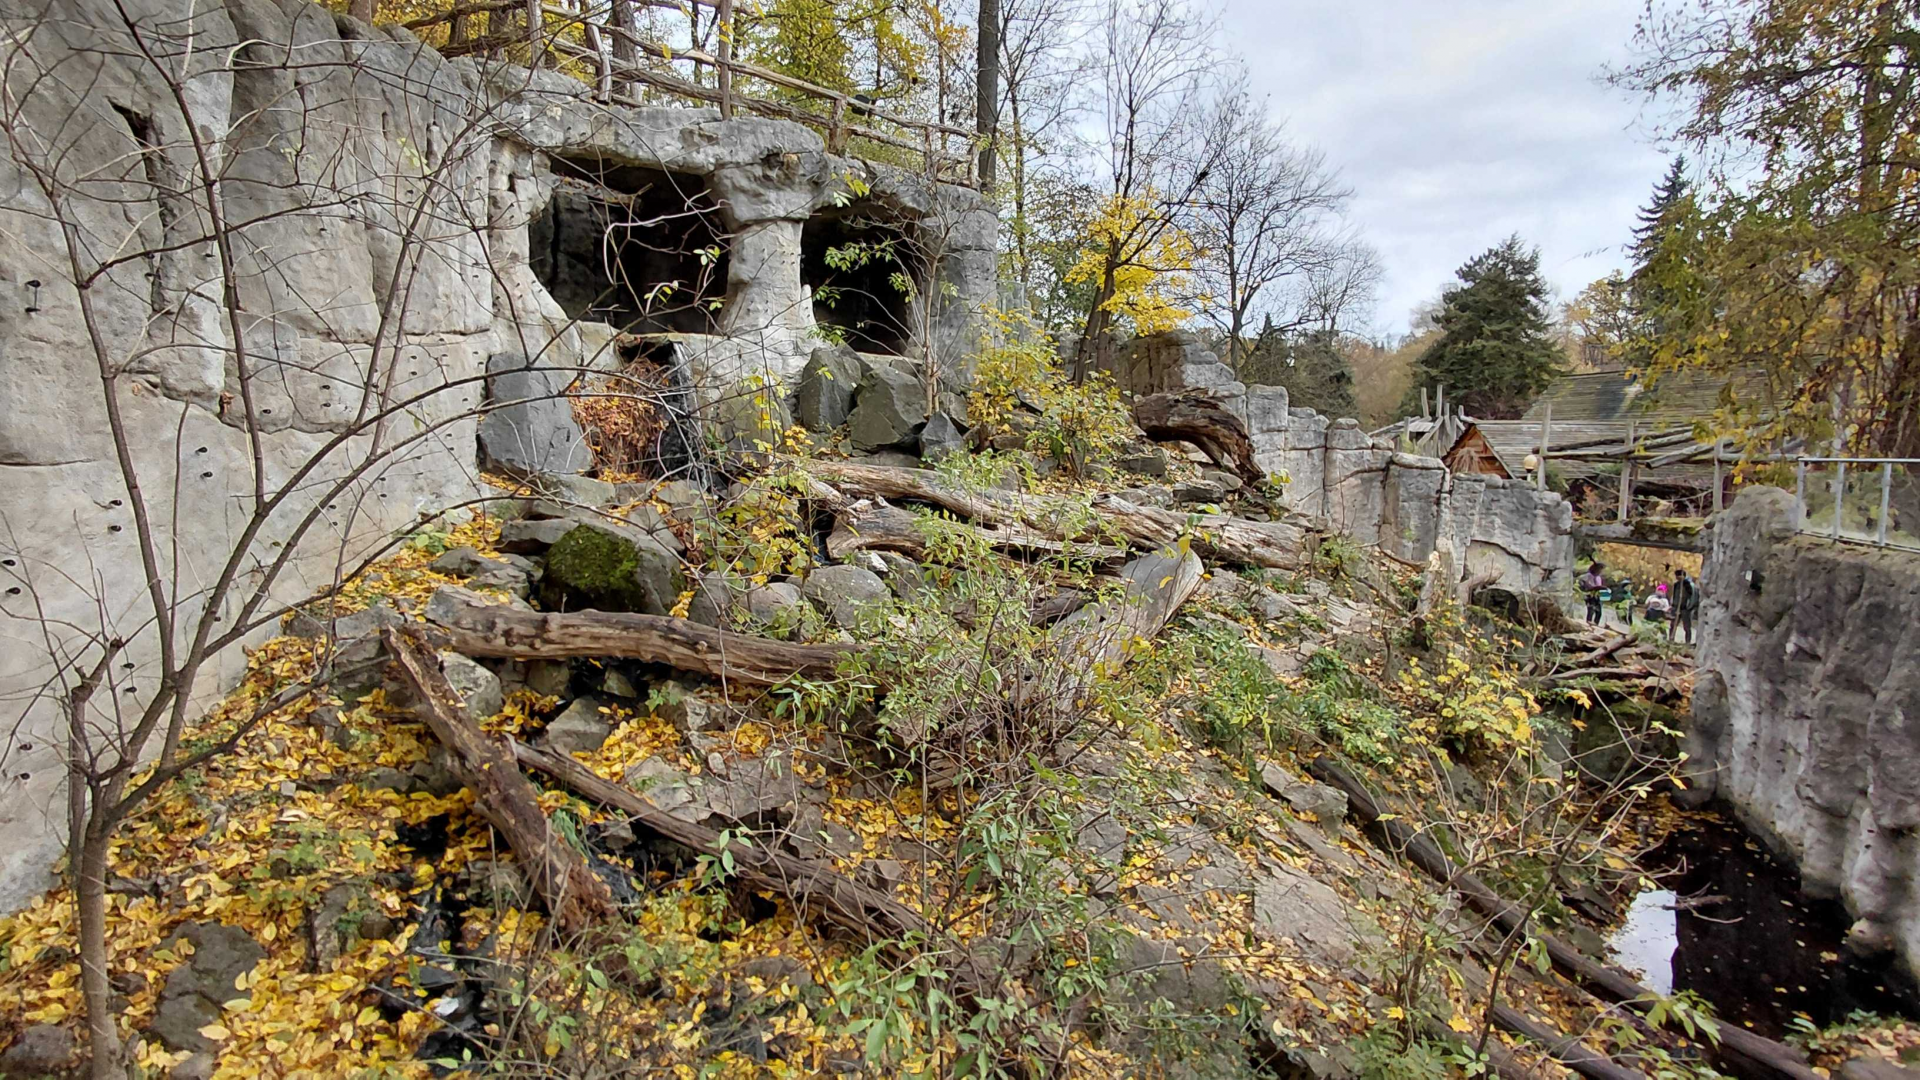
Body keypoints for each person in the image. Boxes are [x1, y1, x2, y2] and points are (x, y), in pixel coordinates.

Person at [1669, 567, 1701, 645]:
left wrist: (1689, 606)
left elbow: (1692, 596)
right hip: (1676, 607)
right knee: (1673, 624)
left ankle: (1687, 641)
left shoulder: (1688, 585)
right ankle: (1671, 639)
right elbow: (1674, 595)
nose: (1677, 578)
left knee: (1686, 626)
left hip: (1685, 608)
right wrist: (1673, 604)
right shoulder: (1676, 585)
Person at [1579, 561, 1608, 626]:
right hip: (1589, 596)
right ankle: (1589, 625)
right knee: (1591, 611)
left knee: (1599, 612)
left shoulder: (1598, 577)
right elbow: (1585, 586)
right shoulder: (1586, 576)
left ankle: (1596, 625)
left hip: (1597, 596)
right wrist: (1594, 588)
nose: (1601, 571)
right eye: (1600, 569)